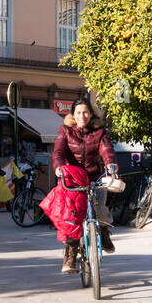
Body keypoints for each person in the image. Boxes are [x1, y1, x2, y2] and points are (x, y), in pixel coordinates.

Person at [52, 96, 119, 273]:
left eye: (85, 112)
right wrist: (59, 167)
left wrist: (110, 164)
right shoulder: (65, 131)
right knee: (72, 218)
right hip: (73, 179)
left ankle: (104, 234)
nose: (82, 115)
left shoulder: (99, 132)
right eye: (78, 112)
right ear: (73, 115)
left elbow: (106, 149)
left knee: (100, 209)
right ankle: (70, 256)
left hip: (94, 178)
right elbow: (58, 152)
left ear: (90, 114)